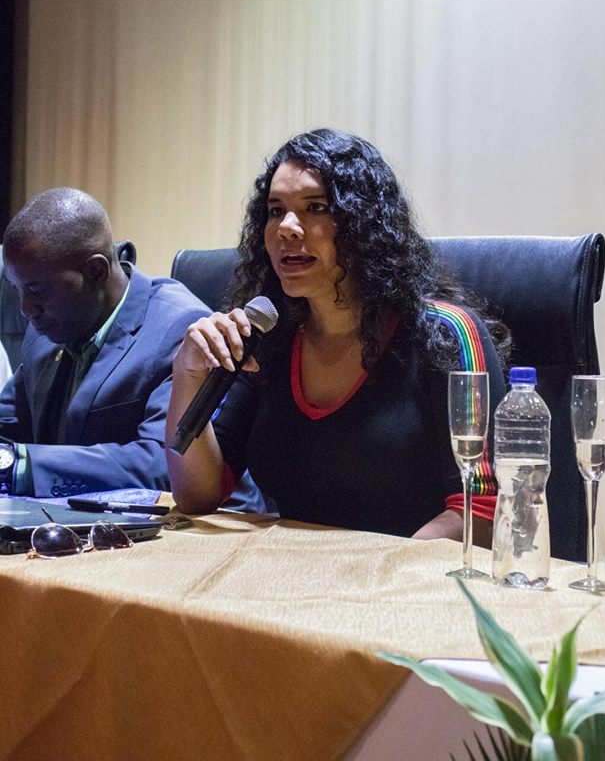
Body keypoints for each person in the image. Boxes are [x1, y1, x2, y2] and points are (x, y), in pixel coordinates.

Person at [166, 129, 509, 541]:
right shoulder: (269, 338)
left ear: (364, 223)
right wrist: (187, 375)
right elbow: (198, 496)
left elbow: (481, 509)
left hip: (405, 575)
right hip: (289, 571)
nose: (287, 228)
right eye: (275, 210)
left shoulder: (447, 334)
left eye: (316, 207)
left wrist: (373, 570)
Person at [0, 187, 264, 509]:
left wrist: (22, 466)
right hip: (87, 522)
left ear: (96, 270)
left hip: (201, 527)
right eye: (17, 288)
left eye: (36, 289)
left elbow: (162, 462)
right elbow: (8, 426)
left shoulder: (181, 329)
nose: (26, 308)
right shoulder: (47, 329)